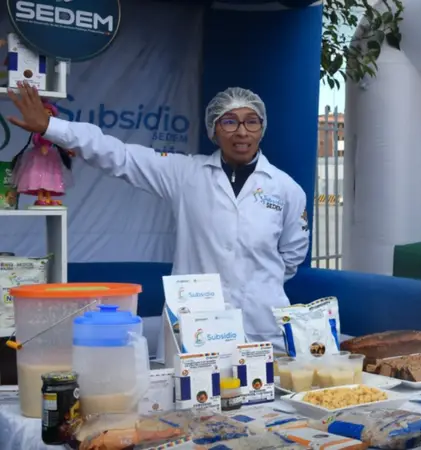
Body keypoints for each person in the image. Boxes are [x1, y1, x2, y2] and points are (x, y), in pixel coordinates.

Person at [6, 82, 310, 350]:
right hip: (197, 326)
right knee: (193, 396)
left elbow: (291, 257)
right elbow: (120, 156)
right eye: (229, 121)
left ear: (262, 128)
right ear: (214, 130)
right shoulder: (186, 174)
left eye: (251, 122)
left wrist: (255, 284)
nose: (241, 131)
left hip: (262, 328)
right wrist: (51, 127)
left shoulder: (286, 189)